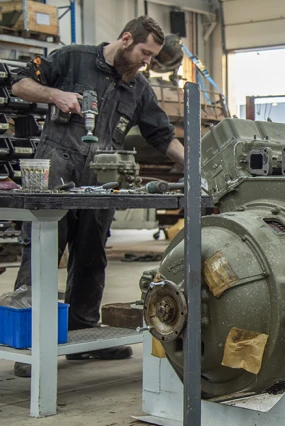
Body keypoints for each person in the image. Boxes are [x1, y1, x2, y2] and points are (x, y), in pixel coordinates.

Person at [11, 16, 185, 377]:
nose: (147, 62)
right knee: (42, 250)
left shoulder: (138, 88)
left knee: (92, 255)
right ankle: (29, 344)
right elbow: (19, 83)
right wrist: (55, 94)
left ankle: (83, 335)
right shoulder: (72, 58)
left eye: (152, 57)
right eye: (145, 53)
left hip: (102, 176)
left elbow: (162, 135)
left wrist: (196, 166)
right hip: (56, 167)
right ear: (126, 39)